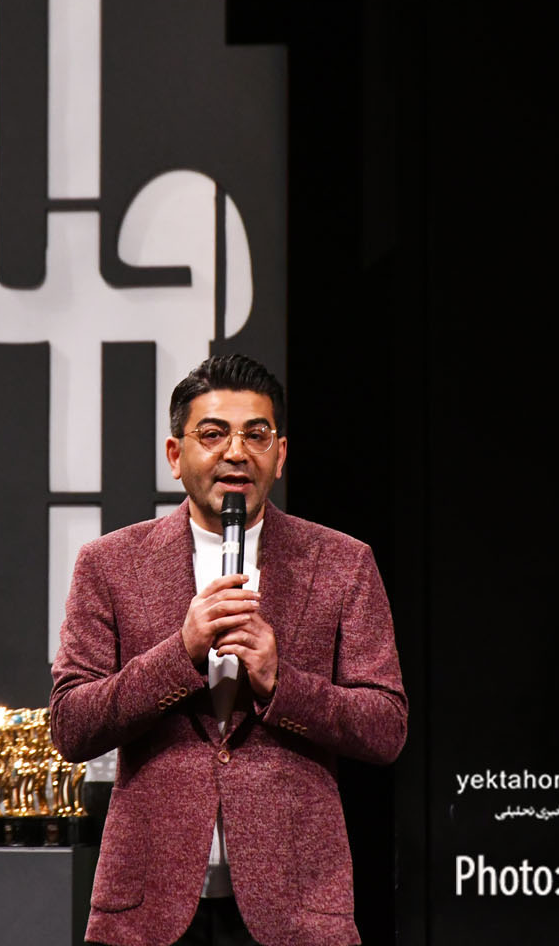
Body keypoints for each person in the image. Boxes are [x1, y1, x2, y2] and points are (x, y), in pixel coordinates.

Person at [50, 354, 408, 946]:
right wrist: (180, 652)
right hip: (147, 909)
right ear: (175, 455)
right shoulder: (109, 564)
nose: (236, 452)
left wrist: (280, 681)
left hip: (295, 908)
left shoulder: (343, 563)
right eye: (213, 434)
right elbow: (71, 725)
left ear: (281, 454)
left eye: (256, 435)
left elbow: (386, 727)